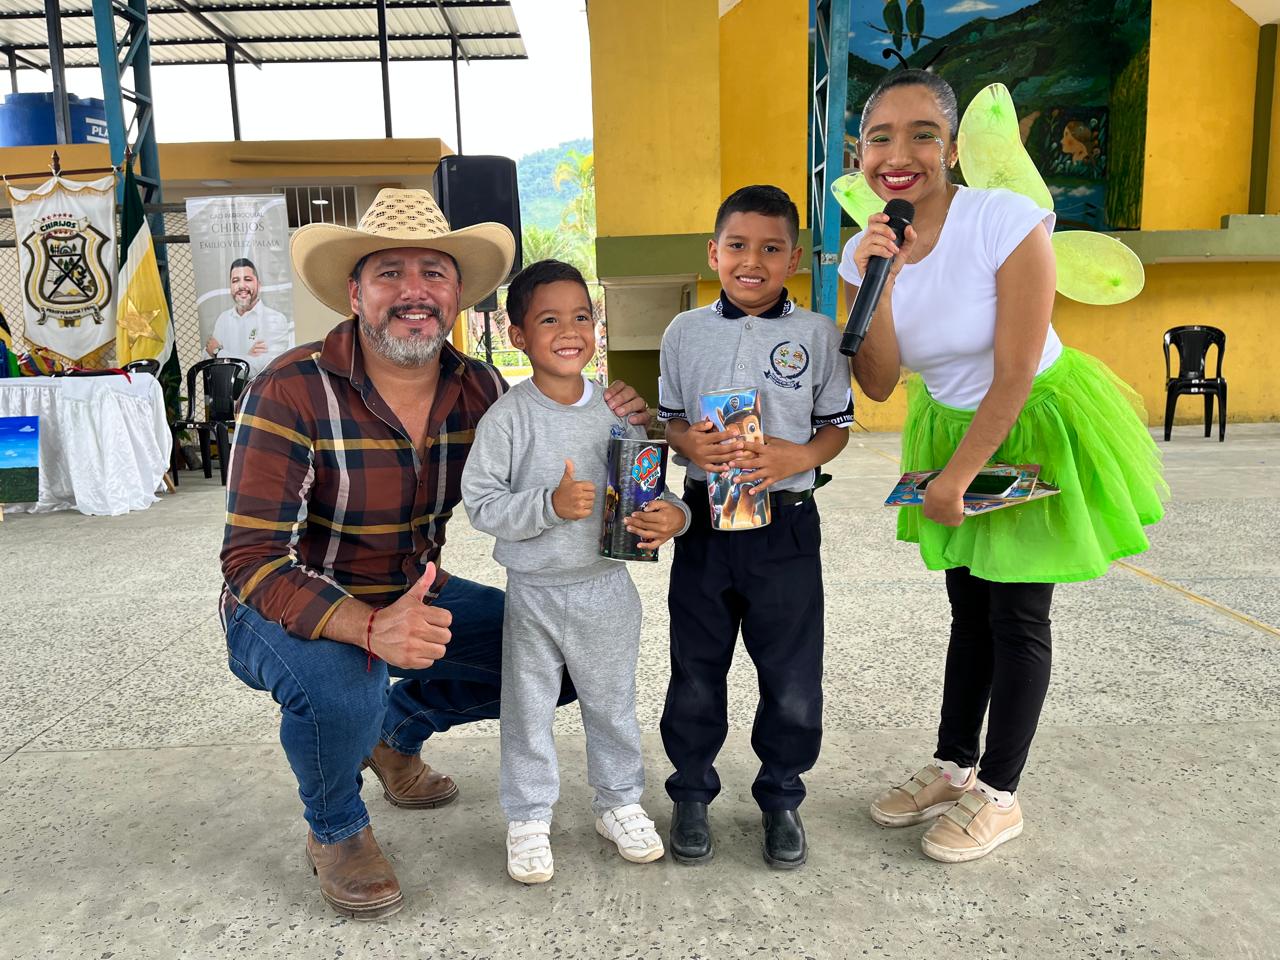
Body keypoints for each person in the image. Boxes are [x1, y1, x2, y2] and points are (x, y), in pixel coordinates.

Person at [219, 189, 651, 919]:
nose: (413, 292)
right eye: (390, 273)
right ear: (355, 292)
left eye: (434, 273)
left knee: (554, 658)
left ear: (457, 296)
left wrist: (616, 416)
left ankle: (394, 735)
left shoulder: (480, 390)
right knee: (345, 685)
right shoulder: (290, 389)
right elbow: (251, 560)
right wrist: (366, 626)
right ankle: (336, 827)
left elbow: (552, 441)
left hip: (414, 588)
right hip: (286, 602)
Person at [839, 69, 1166, 863]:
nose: (899, 154)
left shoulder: (1004, 220)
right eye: (880, 138)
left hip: (1031, 421)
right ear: (862, 155)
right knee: (968, 609)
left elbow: (1015, 370)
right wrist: (882, 281)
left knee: (1017, 614)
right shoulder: (864, 251)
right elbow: (877, 382)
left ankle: (999, 793)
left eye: (922, 135)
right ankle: (955, 764)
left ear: (952, 148)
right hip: (947, 423)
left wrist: (957, 478)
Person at [461, 259, 691, 884]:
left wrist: (675, 516)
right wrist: (548, 505)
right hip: (533, 593)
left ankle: (619, 803)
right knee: (527, 710)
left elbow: (651, 489)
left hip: (606, 588)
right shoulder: (508, 419)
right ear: (517, 336)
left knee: (612, 705)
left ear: (597, 325)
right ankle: (528, 818)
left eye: (582, 316)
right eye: (549, 320)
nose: (570, 331)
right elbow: (481, 504)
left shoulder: (619, 412)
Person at [657, 185, 854, 869]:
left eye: (771, 249)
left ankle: (782, 796)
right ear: (713, 252)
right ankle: (690, 792)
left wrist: (800, 457)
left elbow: (835, 427)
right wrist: (688, 442)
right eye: (737, 246)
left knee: (792, 675)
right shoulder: (684, 333)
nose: (752, 261)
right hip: (704, 526)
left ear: (793, 259)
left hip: (785, 530)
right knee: (695, 669)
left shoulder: (818, 335)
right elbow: (670, 419)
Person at [205, 257, 293, 378]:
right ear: (230, 287)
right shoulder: (223, 319)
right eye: (235, 280)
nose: (241, 286)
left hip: (260, 390)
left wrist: (218, 353)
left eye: (247, 279)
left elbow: (262, 370)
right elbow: (207, 361)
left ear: (259, 285)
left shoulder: (275, 320)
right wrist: (247, 357)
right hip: (225, 390)